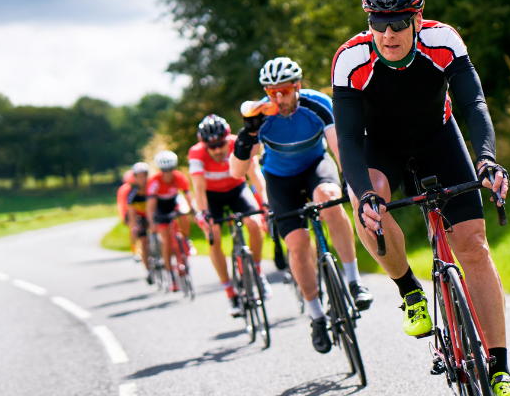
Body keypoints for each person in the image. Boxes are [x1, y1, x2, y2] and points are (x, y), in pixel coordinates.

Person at [331, 0, 510, 396]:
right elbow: (346, 141)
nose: (388, 34)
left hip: (439, 138)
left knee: (473, 245)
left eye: (398, 23)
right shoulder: (351, 59)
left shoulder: (443, 41)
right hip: (380, 147)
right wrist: (364, 196)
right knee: (372, 210)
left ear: (417, 20)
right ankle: (409, 290)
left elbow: (474, 104)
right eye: (378, 23)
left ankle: (499, 371)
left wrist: (487, 160)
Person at [231, 57, 373, 355]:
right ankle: (316, 316)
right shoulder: (262, 114)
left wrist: (352, 183)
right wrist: (247, 135)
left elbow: (338, 147)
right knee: (296, 243)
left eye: (283, 90)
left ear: (296, 86)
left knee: (328, 197)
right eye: (271, 92)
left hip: (315, 167)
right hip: (280, 179)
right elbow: (236, 171)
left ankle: (353, 280)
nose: (278, 98)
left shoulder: (316, 104)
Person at [190, 114, 272, 316]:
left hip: (237, 189)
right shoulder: (196, 154)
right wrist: (203, 213)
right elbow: (199, 188)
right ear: (204, 144)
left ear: (227, 139)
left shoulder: (239, 142)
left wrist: (265, 203)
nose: (217, 150)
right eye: (212, 147)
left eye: (221, 144)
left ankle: (258, 272)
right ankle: (230, 293)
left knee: (254, 223)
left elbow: (255, 176)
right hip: (212, 196)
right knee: (214, 235)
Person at [146, 150, 198, 292]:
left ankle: (186, 239)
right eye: (165, 171)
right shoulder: (154, 181)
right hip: (161, 207)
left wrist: (193, 211)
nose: (168, 173)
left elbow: (188, 196)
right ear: (161, 170)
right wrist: (152, 220)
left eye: (170, 170)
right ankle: (171, 274)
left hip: (175, 201)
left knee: (184, 213)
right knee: (166, 241)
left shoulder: (179, 177)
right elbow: (151, 205)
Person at [126, 162, 152, 282]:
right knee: (144, 241)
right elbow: (131, 213)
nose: (142, 179)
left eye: (144, 176)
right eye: (139, 177)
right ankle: (148, 271)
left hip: (152, 214)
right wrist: (134, 226)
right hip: (141, 217)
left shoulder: (153, 188)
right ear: (135, 178)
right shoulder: (132, 194)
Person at [117, 169, 140, 260]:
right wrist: (124, 216)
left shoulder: (137, 187)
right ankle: (136, 249)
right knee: (133, 229)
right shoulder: (125, 189)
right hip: (128, 212)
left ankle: (137, 250)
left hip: (137, 210)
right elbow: (122, 204)